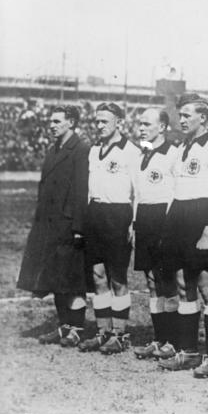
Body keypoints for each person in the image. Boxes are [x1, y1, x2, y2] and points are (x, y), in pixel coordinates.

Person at [158, 94, 208, 376]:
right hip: (178, 219)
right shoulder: (181, 146)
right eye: (180, 114)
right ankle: (188, 351)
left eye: (188, 115)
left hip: (202, 220)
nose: (182, 119)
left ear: (203, 117)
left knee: (206, 288)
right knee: (183, 285)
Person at [17, 105, 90, 347]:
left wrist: (79, 227)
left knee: (72, 279)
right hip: (49, 225)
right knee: (57, 278)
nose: (52, 125)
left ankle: (77, 328)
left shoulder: (80, 150)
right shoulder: (53, 149)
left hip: (68, 225)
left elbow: (81, 191)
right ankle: (64, 326)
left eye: (57, 121)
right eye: (51, 121)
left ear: (71, 122)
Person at [77, 102, 139, 355]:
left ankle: (120, 334)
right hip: (96, 214)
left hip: (118, 214)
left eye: (105, 121)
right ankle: (103, 332)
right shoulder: (93, 150)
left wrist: (134, 223)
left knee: (117, 277)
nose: (100, 126)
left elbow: (138, 191)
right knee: (98, 275)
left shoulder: (131, 152)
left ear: (118, 122)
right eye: (97, 121)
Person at [131, 108, 181, 360]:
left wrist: (170, 226)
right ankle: (159, 338)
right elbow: (138, 194)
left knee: (167, 281)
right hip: (144, 221)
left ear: (162, 127)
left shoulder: (174, 153)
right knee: (151, 282)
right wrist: (133, 220)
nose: (141, 128)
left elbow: (175, 193)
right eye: (139, 123)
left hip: (164, 220)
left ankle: (173, 340)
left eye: (146, 123)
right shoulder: (142, 154)